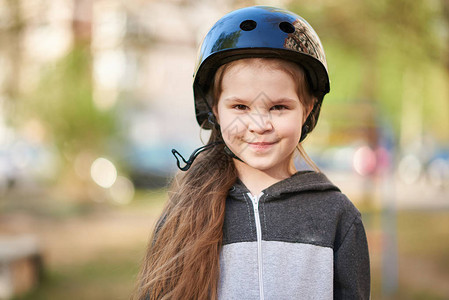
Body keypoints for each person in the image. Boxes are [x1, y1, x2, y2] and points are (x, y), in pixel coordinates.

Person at [135, 5, 370, 300]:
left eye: (278, 107)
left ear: (307, 109)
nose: (259, 125)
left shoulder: (337, 216)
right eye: (240, 107)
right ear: (215, 112)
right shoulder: (184, 212)